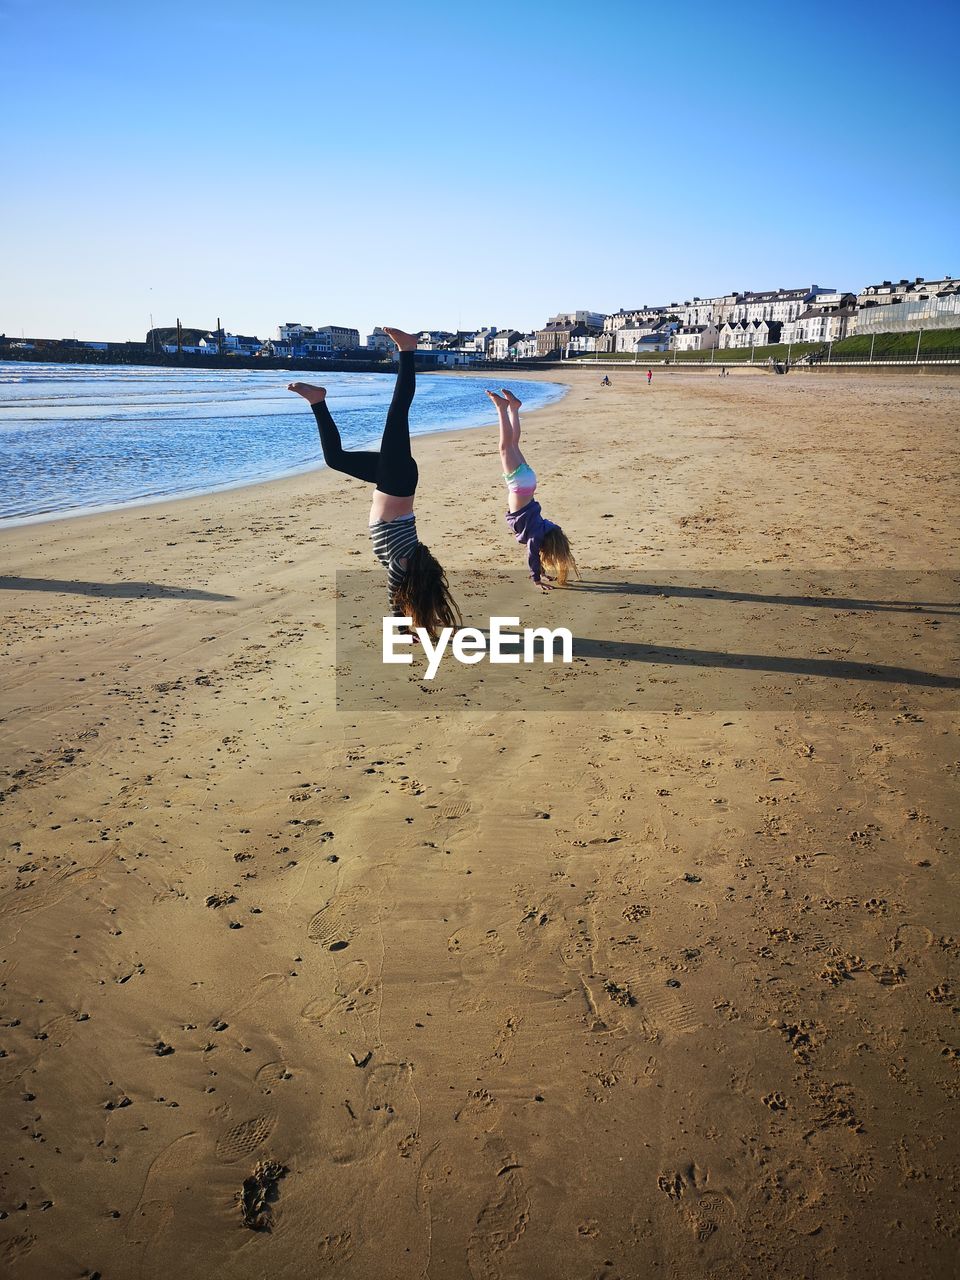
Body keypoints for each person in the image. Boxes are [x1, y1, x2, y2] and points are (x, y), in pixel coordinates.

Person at [288, 327, 460, 639]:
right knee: (397, 414)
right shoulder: (403, 564)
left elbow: (402, 595)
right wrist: (402, 627)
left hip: (390, 480)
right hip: (395, 480)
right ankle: (408, 350)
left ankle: (318, 400)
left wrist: (411, 622)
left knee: (335, 459)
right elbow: (395, 595)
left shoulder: (406, 562)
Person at [485, 387, 578, 593]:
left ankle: (514, 409)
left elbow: (537, 553)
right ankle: (502, 408)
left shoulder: (545, 526)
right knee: (505, 447)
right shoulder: (536, 535)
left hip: (529, 483)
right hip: (519, 485)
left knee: (514, 444)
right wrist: (536, 579)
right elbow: (532, 554)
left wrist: (542, 571)